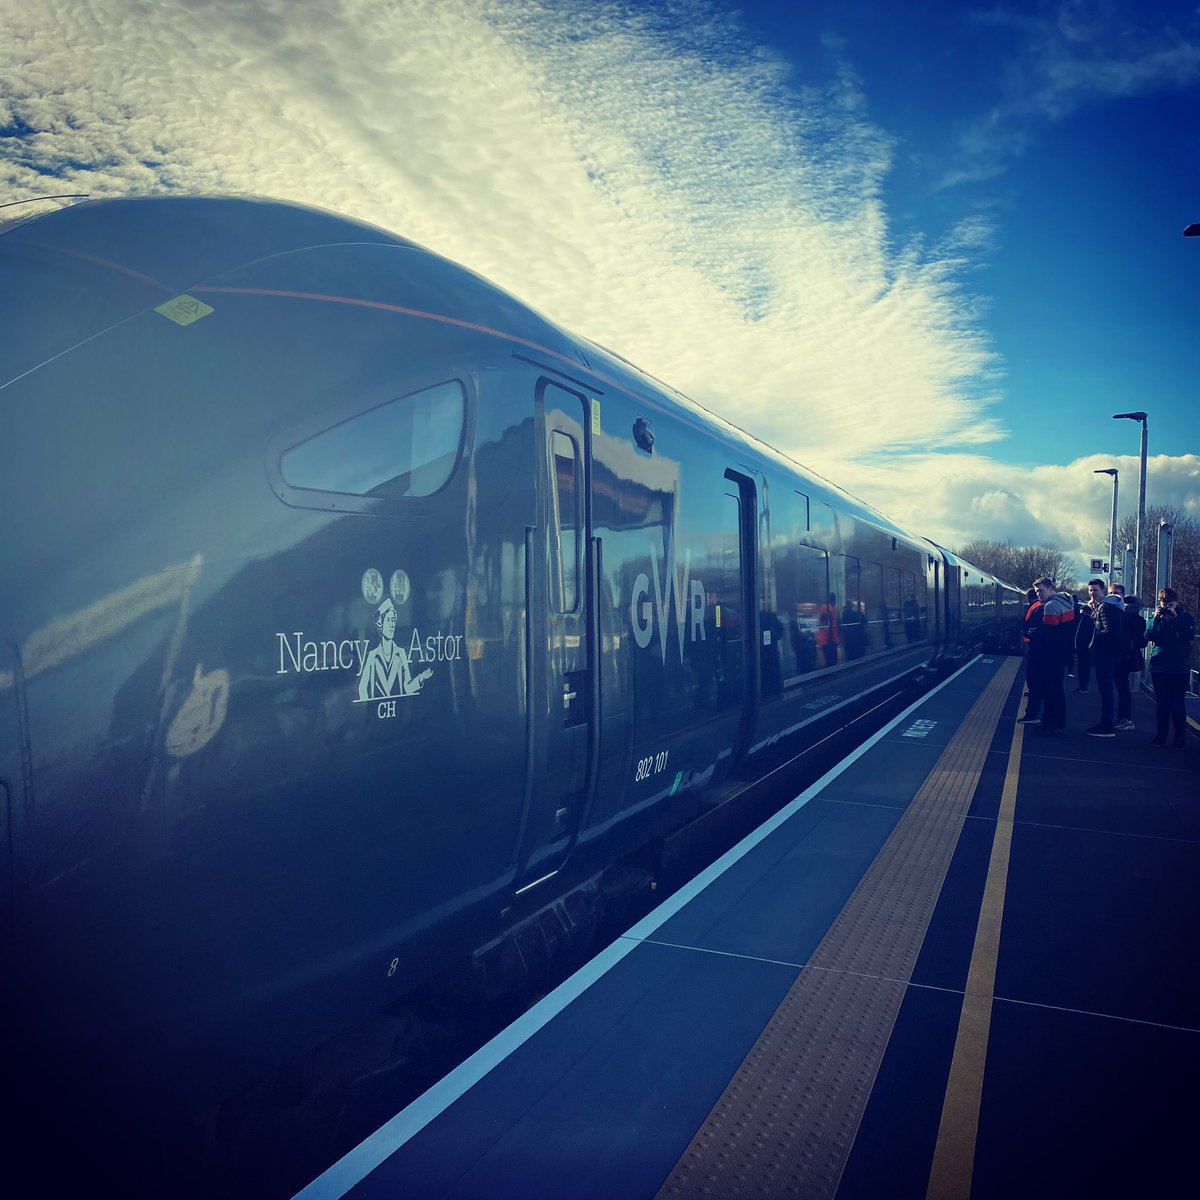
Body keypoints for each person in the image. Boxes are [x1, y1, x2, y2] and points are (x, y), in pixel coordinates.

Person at [1144, 587, 1195, 748]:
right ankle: (1161, 736)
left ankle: (1179, 738)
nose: (1167, 607)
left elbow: (1188, 636)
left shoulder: (1185, 617)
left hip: (1179, 667)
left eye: (1170, 604)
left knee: (1177, 703)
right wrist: (1156, 618)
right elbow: (1148, 635)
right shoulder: (1157, 617)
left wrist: (1175, 619)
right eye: (1164, 603)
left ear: (1176, 603)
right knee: (1162, 704)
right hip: (1160, 665)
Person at [1026, 577, 1074, 735]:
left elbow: (1050, 634)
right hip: (1061, 654)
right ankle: (1057, 722)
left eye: (1041, 590)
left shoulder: (1051, 606)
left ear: (1050, 588)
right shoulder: (1065, 602)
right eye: (1037, 591)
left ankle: (1049, 723)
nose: (1038, 594)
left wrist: (1035, 633)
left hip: (1050, 656)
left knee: (1049, 690)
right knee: (1057, 690)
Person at [1084, 578, 1124, 737]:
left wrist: (1093, 635)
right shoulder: (1103, 606)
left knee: (1106, 690)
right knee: (1105, 689)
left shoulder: (1105, 607)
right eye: (1090, 590)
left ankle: (1106, 725)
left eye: (1095, 590)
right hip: (1107, 654)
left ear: (1103, 591)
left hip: (1106, 655)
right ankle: (1106, 723)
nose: (1092, 593)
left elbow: (1111, 632)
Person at [1113, 596, 1146, 731]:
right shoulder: (1139, 620)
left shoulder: (1120, 617)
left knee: (1121, 687)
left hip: (1122, 657)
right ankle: (1124, 718)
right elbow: (1143, 642)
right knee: (1123, 687)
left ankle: (1124, 718)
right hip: (1129, 657)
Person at [1018, 587, 1043, 723]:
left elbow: (1034, 629)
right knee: (1035, 682)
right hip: (1036, 649)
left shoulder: (1038, 608)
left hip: (1037, 650)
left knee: (1035, 681)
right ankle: (1034, 714)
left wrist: (1031, 633)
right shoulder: (1038, 607)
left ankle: (1033, 715)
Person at [1071, 595, 1093, 692]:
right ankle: (1083, 687)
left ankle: (1082, 687)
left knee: (1083, 667)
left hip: (1083, 647)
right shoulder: (1091, 621)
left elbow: (1078, 634)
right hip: (1087, 647)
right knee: (1085, 667)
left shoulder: (1083, 620)